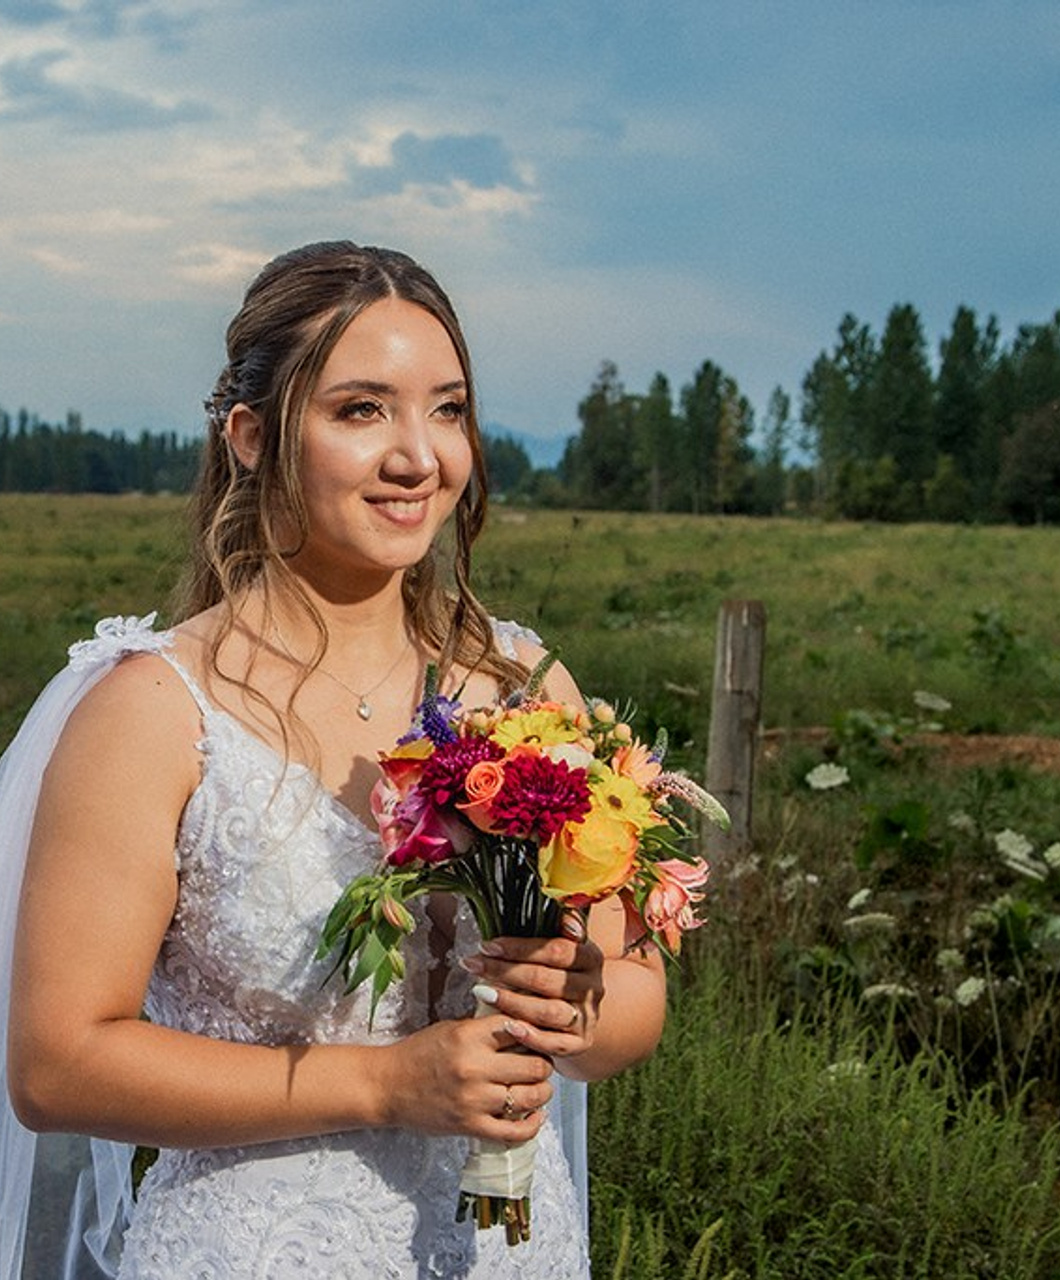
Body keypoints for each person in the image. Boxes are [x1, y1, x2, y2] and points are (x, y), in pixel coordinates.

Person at [0, 241, 667, 1278]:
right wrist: (382, 1084)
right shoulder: (151, 710)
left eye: (446, 409)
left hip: (507, 1250)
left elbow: (629, 994)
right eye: (362, 409)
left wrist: (573, 1002)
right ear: (253, 435)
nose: (419, 456)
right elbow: (56, 1064)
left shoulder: (527, 690)